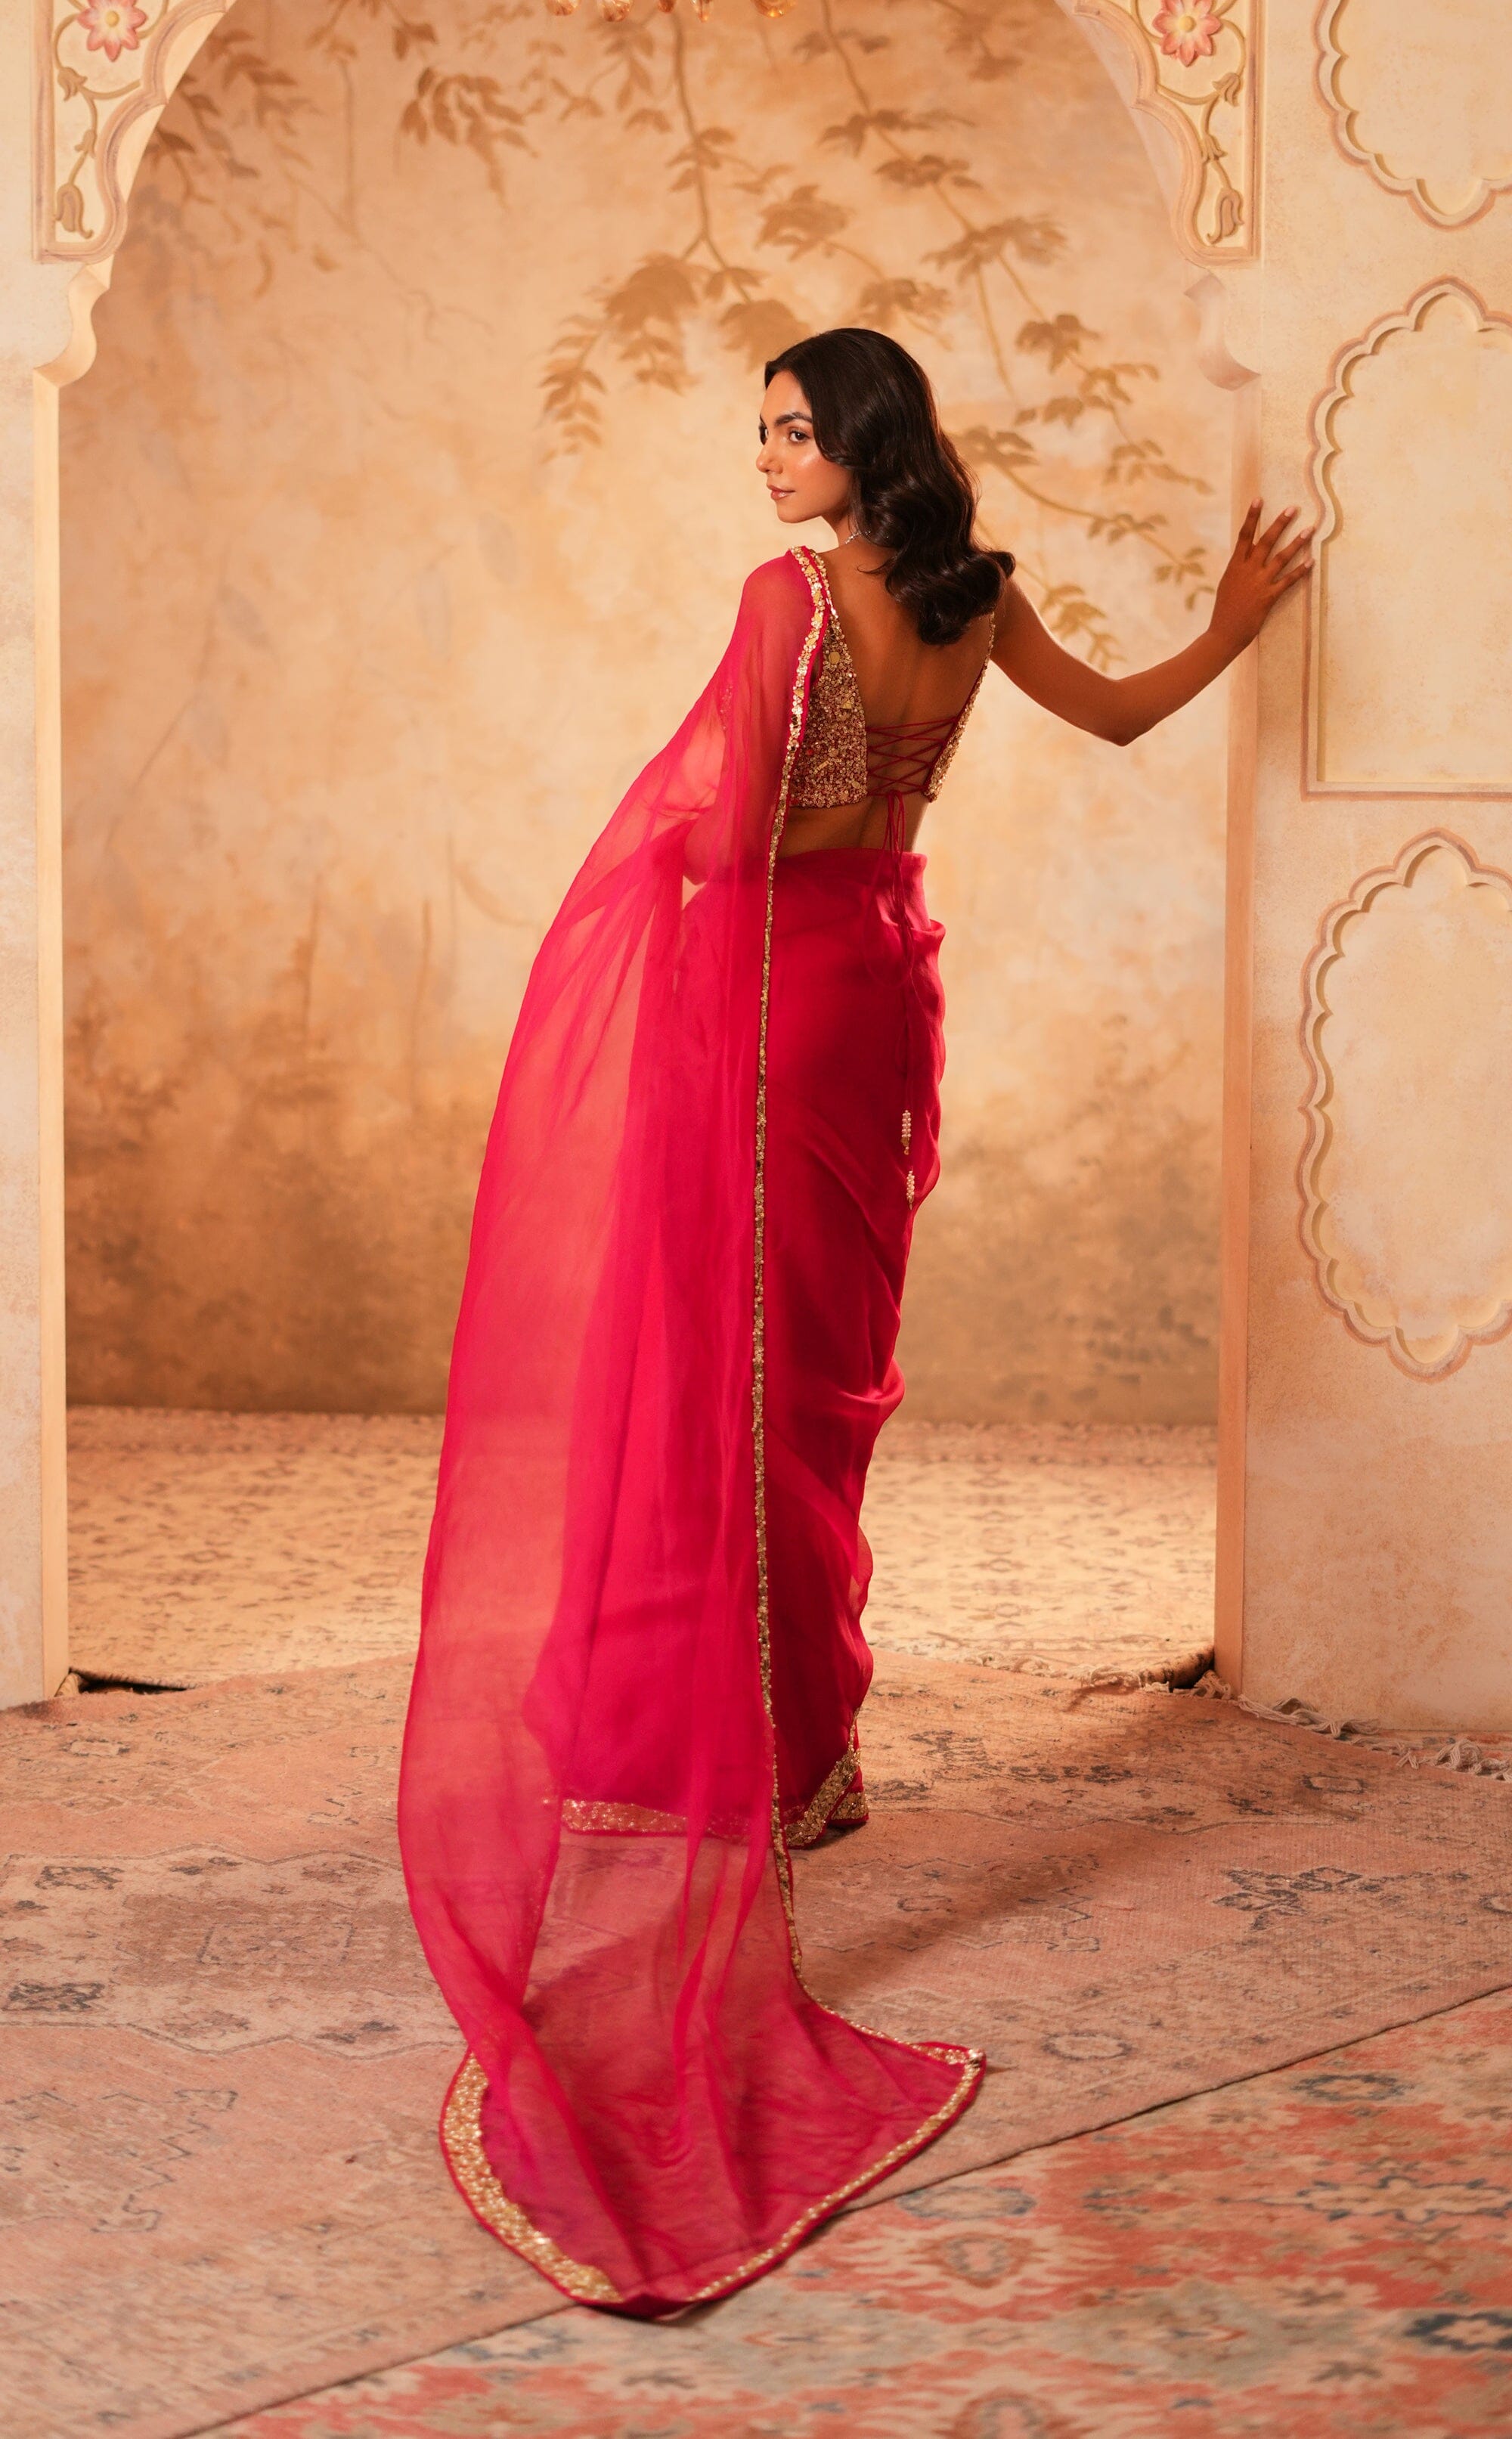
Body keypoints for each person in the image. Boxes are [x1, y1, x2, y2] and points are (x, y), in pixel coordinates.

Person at [399, 327, 1311, 2319]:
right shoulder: (976, 600)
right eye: (762, 434)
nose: (767, 462)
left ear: (859, 441)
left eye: (794, 431)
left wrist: (638, 860)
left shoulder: (788, 601)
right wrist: (1235, 622)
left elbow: (730, 835)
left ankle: (755, 1752)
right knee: (814, 1384)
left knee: (722, 1380)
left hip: (774, 999)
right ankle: (810, 1751)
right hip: (885, 989)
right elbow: (1126, 719)